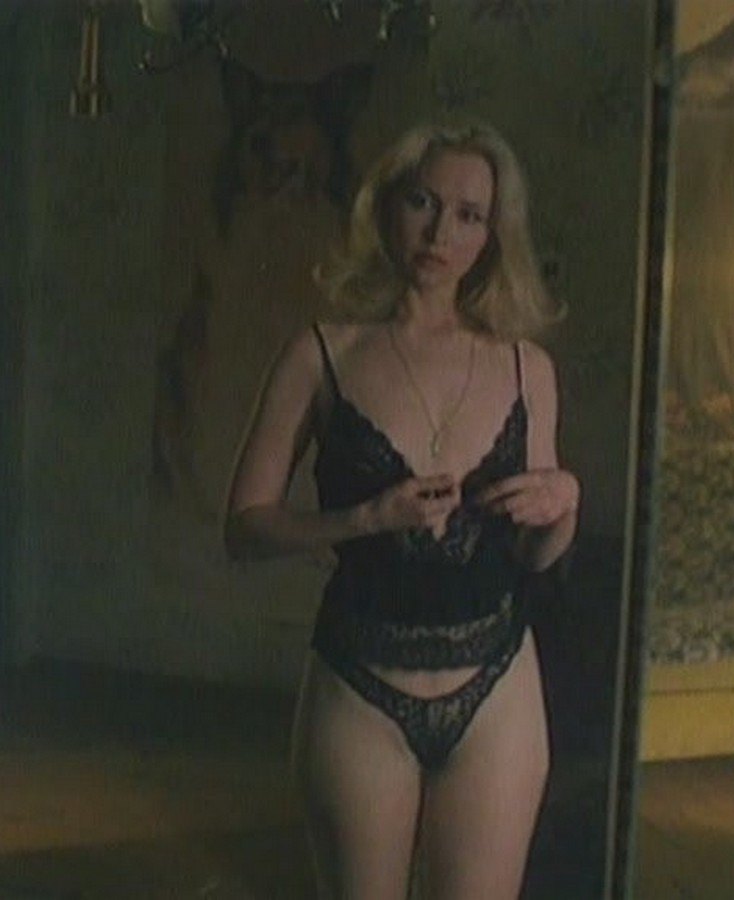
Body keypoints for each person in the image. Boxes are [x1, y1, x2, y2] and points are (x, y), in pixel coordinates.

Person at [224, 119, 580, 900]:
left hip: (495, 683)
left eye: (468, 214)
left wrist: (563, 506)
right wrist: (364, 519)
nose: (441, 232)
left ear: (493, 234)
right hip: (359, 683)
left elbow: (532, 557)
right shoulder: (322, 353)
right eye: (423, 202)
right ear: (386, 207)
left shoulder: (527, 369)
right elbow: (244, 528)